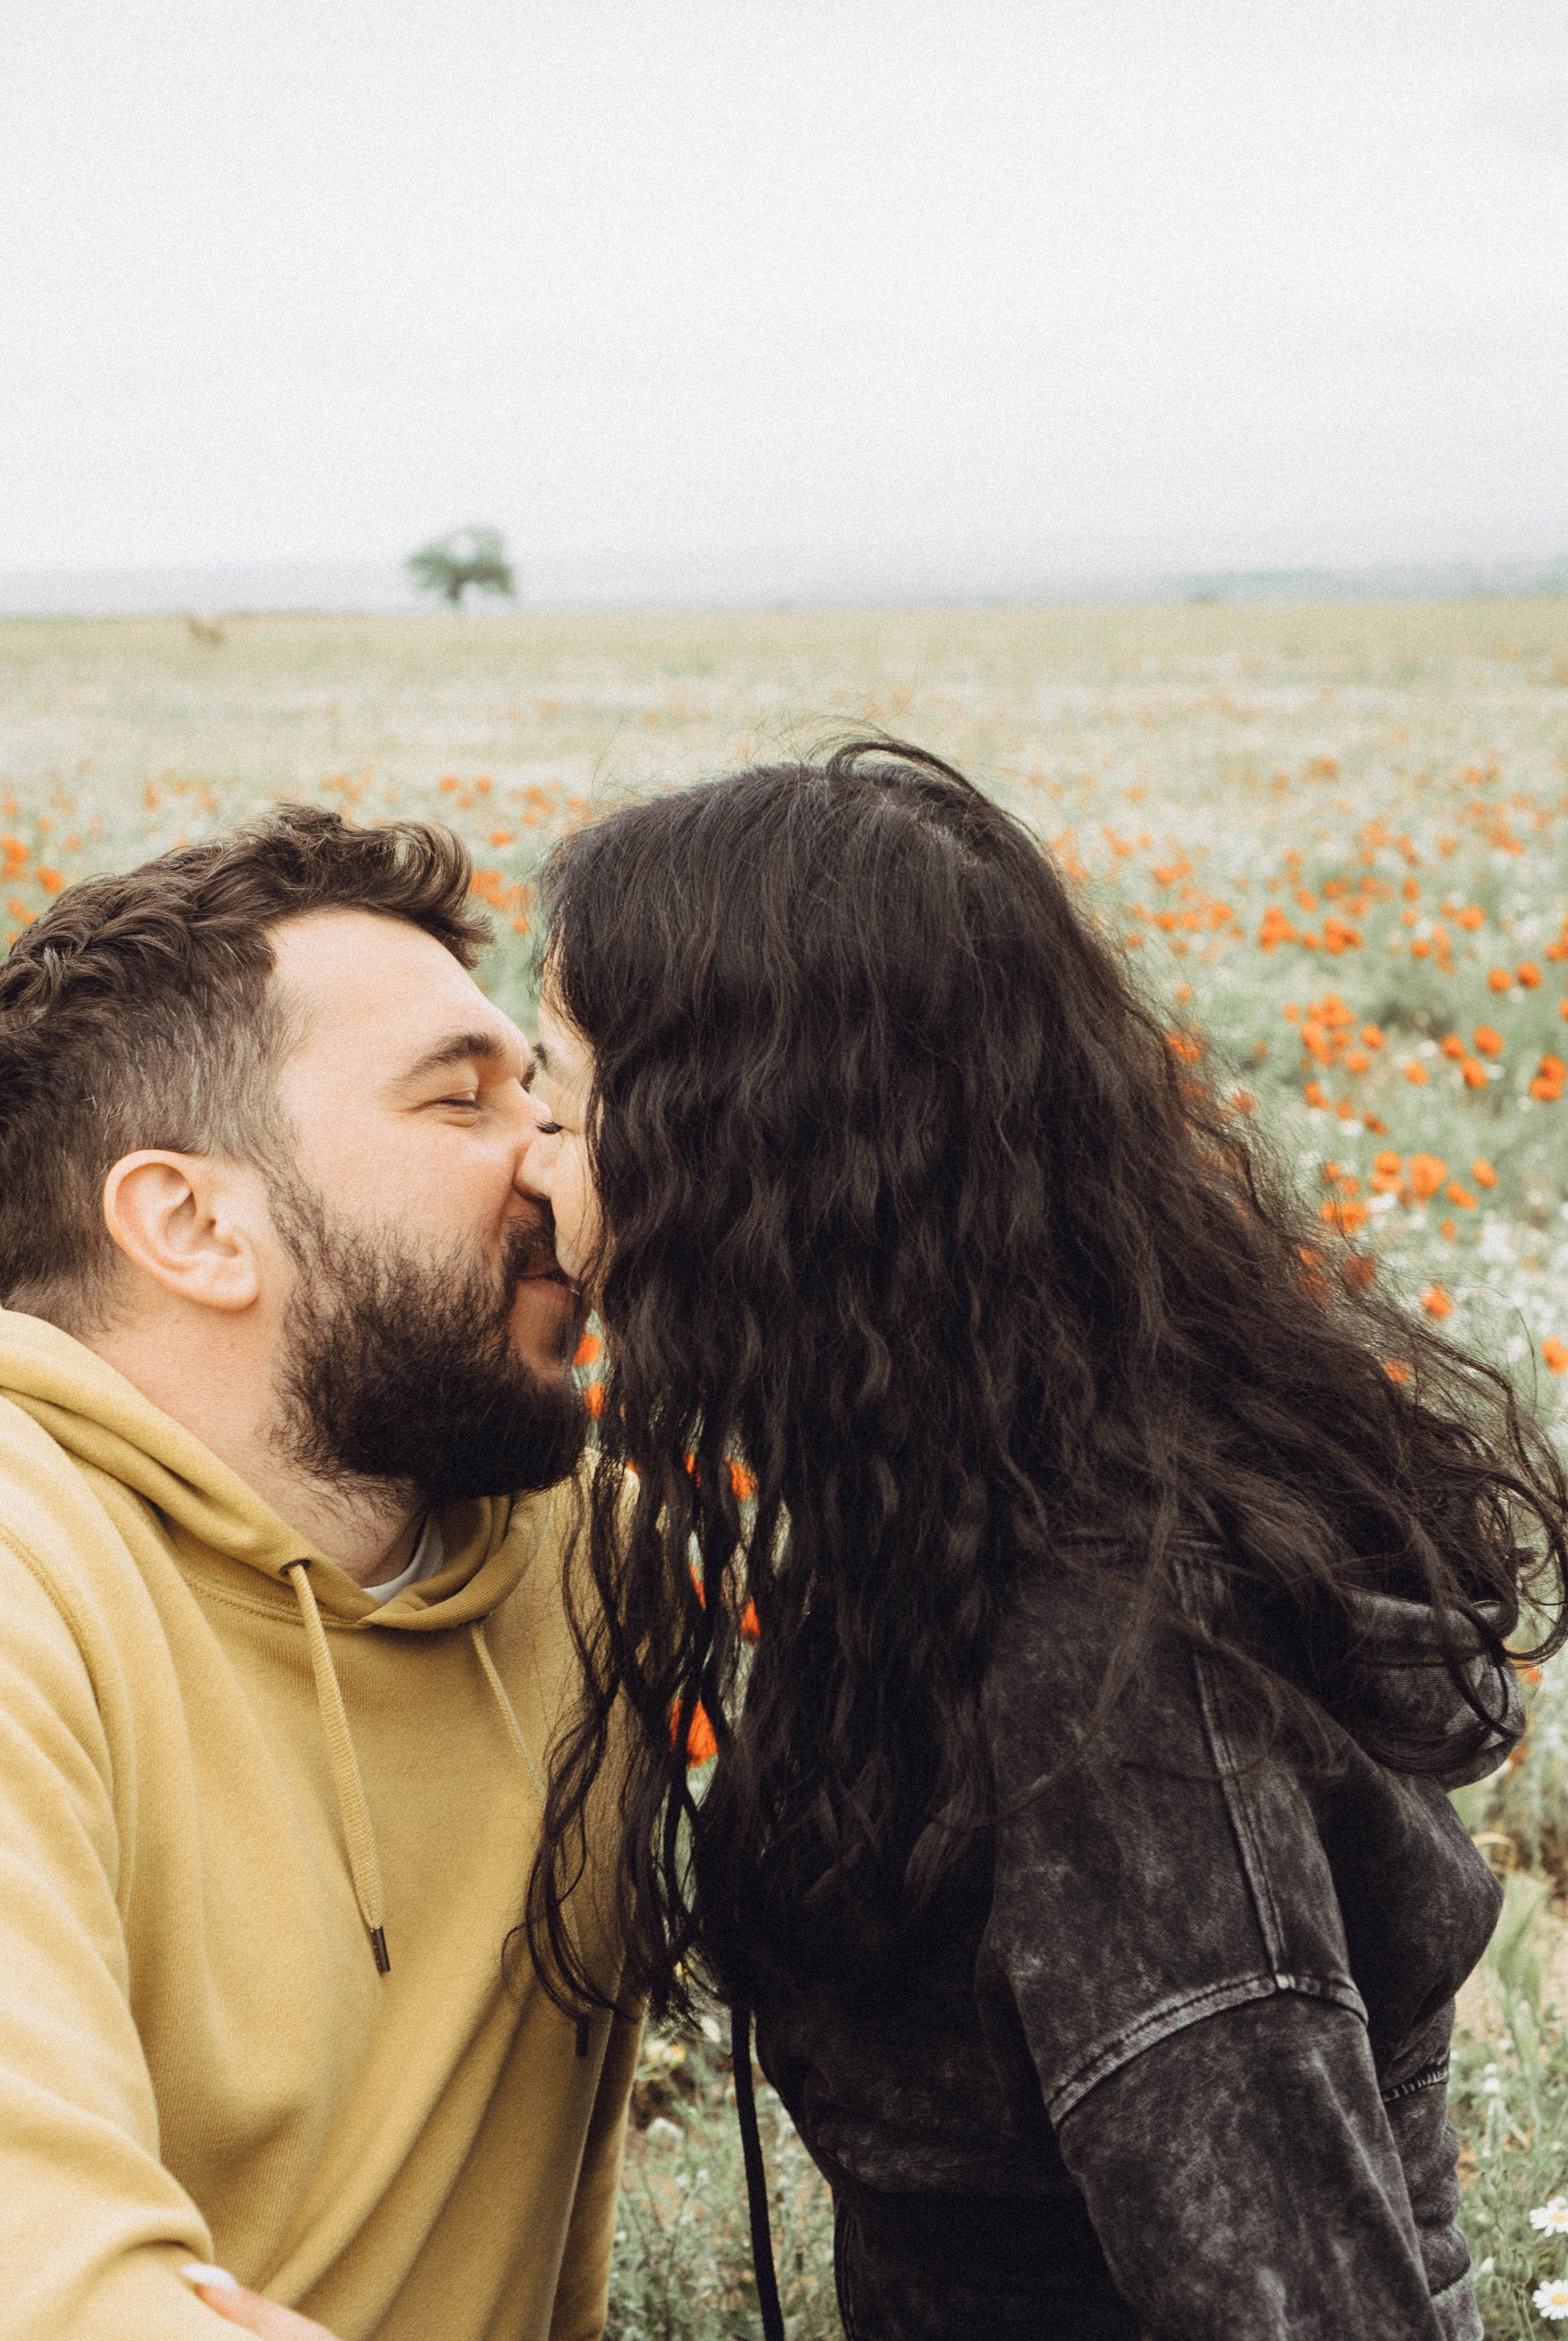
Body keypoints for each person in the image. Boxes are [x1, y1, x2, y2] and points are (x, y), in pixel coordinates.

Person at [517, 739, 1568, 2341]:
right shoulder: (937, 1496)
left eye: (556, 1091)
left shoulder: (1121, 1680)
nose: (526, 1157)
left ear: (734, 1158)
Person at [0, 808, 637, 2341]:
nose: (557, 1166)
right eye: (459, 1102)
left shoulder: (587, 1557)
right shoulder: (29, 1573)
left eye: (542, 1094)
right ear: (197, 1224)